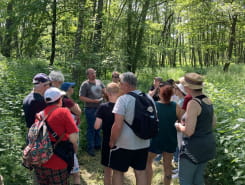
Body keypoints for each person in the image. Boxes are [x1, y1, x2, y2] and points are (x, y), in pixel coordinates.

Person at [109, 72, 151, 185]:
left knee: (118, 172)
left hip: (123, 144)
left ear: (126, 85)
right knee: (141, 172)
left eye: (120, 83)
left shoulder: (123, 100)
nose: (119, 86)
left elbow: (117, 125)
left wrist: (112, 140)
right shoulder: (148, 97)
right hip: (143, 142)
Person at [175, 73, 216, 185]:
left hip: (193, 149)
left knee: (185, 180)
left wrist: (179, 126)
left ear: (187, 88)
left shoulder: (193, 103)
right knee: (198, 180)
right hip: (207, 146)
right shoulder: (208, 100)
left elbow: (189, 131)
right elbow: (213, 124)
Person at [34, 87, 79, 185]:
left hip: (40, 161)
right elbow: (73, 138)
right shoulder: (63, 112)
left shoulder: (39, 115)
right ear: (60, 100)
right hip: (58, 161)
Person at [146, 82, 184, 185]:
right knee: (168, 167)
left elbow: (148, 122)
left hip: (156, 140)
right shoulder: (176, 106)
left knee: (147, 163)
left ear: (160, 94)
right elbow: (182, 122)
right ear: (172, 94)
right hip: (170, 140)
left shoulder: (154, 106)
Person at [94, 82, 120, 185]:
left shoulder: (103, 107)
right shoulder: (123, 106)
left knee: (107, 170)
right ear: (118, 93)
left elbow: (96, 126)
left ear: (108, 93)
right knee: (118, 171)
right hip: (121, 140)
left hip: (107, 141)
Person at [79, 68, 105, 156]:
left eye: (94, 73)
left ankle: (98, 145)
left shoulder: (99, 82)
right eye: (91, 73)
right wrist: (93, 101)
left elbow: (104, 91)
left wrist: (106, 95)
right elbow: (81, 97)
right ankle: (90, 148)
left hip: (100, 108)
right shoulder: (85, 84)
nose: (94, 75)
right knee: (91, 129)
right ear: (88, 75)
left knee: (98, 128)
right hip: (90, 109)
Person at [60, 82, 82, 185]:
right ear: (68, 89)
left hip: (64, 133)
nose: (73, 89)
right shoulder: (67, 101)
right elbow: (78, 112)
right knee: (75, 172)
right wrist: (76, 105)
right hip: (71, 132)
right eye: (72, 87)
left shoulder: (60, 100)